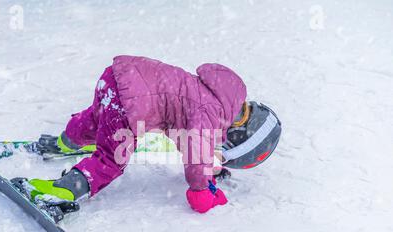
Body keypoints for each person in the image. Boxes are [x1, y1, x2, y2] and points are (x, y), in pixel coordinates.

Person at [19, 55, 281, 214]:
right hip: (130, 104)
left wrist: (208, 169)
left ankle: (63, 143)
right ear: (238, 136)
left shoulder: (214, 95)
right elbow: (197, 149)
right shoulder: (212, 113)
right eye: (223, 149)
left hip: (118, 79)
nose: (218, 148)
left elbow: (184, 137)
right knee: (110, 160)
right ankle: (58, 194)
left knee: (96, 119)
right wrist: (201, 188)